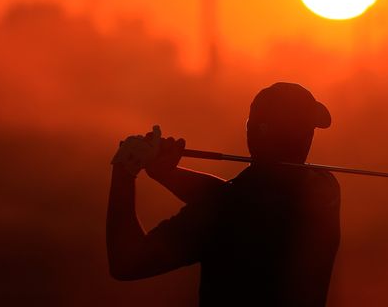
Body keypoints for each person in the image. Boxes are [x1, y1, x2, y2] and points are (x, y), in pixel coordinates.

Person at [106, 82, 341, 306]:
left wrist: (124, 171)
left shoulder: (219, 214)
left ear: (253, 131)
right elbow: (233, 197)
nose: (306, 138)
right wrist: (167, 174)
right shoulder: (324, 188)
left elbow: (126, 262)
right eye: (302, 130)